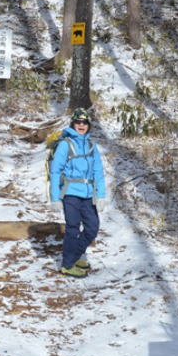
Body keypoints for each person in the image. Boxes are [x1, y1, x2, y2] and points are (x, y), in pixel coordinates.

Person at [49, 107, 107, 277]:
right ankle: (67, 264)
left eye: (84, 122)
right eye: (78, 122)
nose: (81, 125)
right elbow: (55, 172)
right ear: (73, 124)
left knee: (92, 228)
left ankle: (75, 256)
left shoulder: (91, 146)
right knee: (73, 229)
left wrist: (101, 195)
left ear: (88, 125)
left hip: (88, 195)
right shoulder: (65, 145)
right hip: (71, 194)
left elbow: (98, 172)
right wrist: (55, 197)